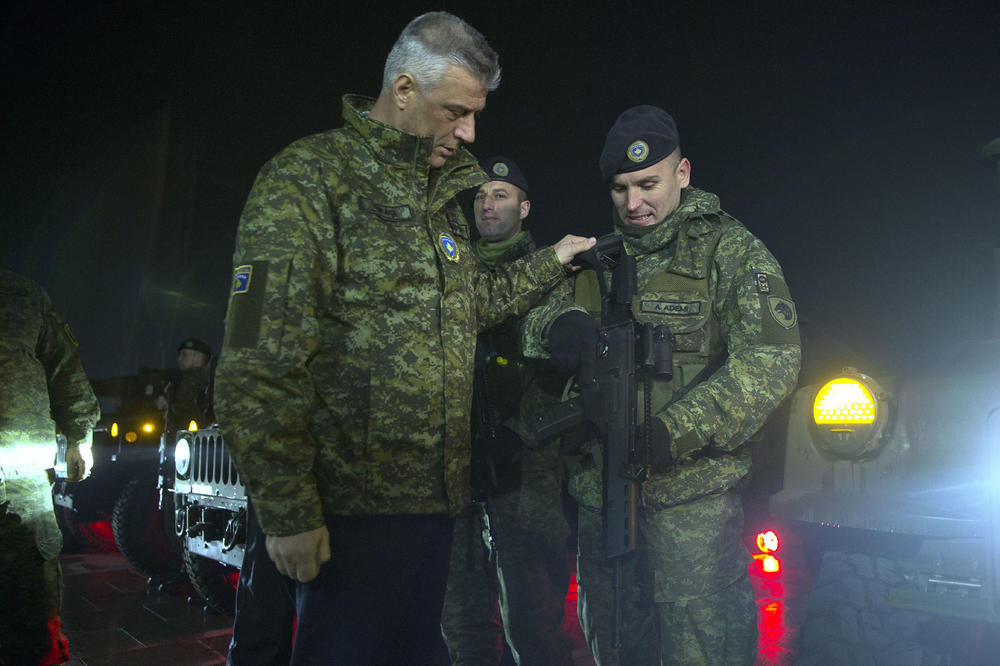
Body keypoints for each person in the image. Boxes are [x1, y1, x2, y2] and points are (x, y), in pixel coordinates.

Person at [213, 12, 594, 665]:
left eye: (476, 115)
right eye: (456, 112)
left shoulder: (441, 201)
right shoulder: (310, 179)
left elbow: (470, 303)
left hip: (433, 509)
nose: (469, 131)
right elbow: (257, 360)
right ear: (406, 89)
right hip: (347, 515)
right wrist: (287, 510)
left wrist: (551, 258)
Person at [523, 106, 802, 665]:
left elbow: (772, 361)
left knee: (701, 650)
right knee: (614, 642)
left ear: (684, 173)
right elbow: (529, 326)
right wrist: (560, 323)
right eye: (621, 189)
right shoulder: (595, 257)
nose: (633, 203)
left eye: (648, 184)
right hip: (602, 499)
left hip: (690, 505)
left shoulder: (730, 251)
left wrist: (674, 430)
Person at [440, 157, 577, 666]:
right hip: (458, 459)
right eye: (479, 196)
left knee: (533, 614)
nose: (487, 204)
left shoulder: (549, 271)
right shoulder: (453, 268)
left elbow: (557, 375)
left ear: (524, 207)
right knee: (461, 616)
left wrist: (519, 433)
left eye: (500, 195)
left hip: (526, 463)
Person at [0, 269, 99, 665]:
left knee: (32, 605)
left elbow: (63, 366)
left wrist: (79, 436)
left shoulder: (21, 293)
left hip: (22, 485)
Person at [165, 337, 214, 434]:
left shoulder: (213, 381)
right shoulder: (178, 381)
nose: (178, 359)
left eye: (184, 355)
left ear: (199, 358)